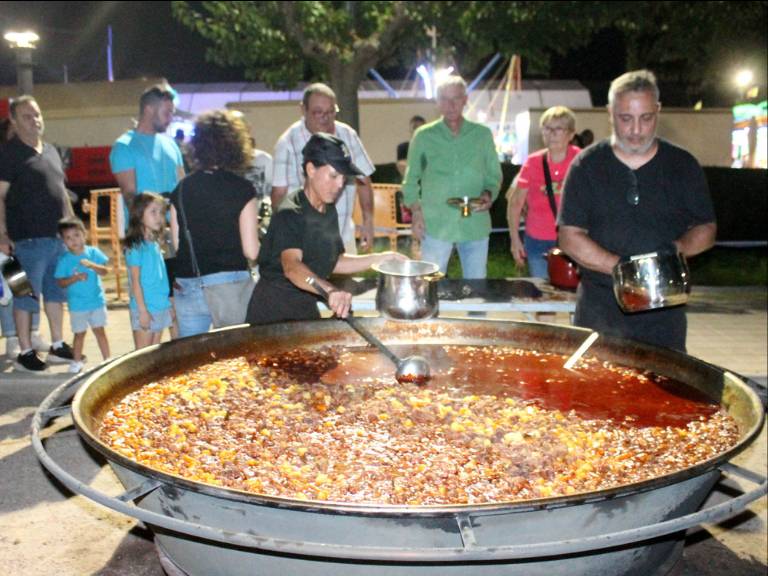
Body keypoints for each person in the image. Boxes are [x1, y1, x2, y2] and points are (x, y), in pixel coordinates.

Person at [558, 70, 716, 351]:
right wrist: (629, 273)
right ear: (609, 113)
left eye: (645, 118)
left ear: (658, 111)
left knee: (665, 391)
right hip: (600, 309)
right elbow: (570, 236)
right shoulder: (586, 166)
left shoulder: (682, 165)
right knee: (595, 391)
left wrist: (674, 250)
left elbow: (705, 228)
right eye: (625, 118)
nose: (635, 130)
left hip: (665, 312)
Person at [246, 133, 405, 325]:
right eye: (333, 175)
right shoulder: (290, 213)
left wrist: (382, 258)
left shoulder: (328, 209)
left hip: (304, 310)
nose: (340, 184)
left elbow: (334, 261)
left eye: (343, 177)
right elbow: (292, 267)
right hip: (273, 314)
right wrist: (330, 290)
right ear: (311, 169)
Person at [0, 96, 77, 371]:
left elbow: (62, 194)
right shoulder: (8, 153)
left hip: (56, 240)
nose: (35, 121)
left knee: (56, 295)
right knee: (24, 297)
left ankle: (57, 345)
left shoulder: (52, 151)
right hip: (23, 242)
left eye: (37, 114)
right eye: (26, 116)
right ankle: (25, 351)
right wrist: (2, 235)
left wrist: (72, 228)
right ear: (14, 121)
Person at [169, 110, 260, 337]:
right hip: (229, 284)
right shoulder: (242, 189)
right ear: (235, 146)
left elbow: (177, 244)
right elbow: (251, 250)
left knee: (192, 360)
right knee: (233, 358)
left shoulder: (180, 189)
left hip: (188, 282)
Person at [402, 76, 502, 278]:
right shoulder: (424, 136)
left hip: (474, 223)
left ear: (466, 100)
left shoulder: (482, 135)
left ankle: (476, 311)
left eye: (456, 98)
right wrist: (416, 212)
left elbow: (494, 175)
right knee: (430, 288)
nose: (450, 105)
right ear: (437, 102)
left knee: (477, 291)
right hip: (436, 224)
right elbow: (411, 179)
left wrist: (488, 194)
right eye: (445, 99)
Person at [271, 83, 375, 254]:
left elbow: (363, 179)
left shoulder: (348, 135)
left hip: (342, 236)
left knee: (345, 279)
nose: (325, 118)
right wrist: (283, 235)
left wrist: (368, 221)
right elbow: (279, 193)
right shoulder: (288, 142)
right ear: (303, 110)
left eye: (331, 112)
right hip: (305, 240)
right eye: (318, 112)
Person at [506, 106, 581, 279]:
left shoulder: (581, 161)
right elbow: (516, 202)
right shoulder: (533, 163)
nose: (551, 133)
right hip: (537, 241)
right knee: (542, 296)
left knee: (569, 297)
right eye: (547, 128)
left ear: (571, 134)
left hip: (572, 241)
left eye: (558, 128)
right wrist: (514, 239)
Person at [0, 116, 48, 358]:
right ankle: (11, 336)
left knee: (27, 287)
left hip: (25, 234)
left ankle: (33, 331)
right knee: (12, 287)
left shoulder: (25, 160)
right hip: (6, 237)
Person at [54, 217, 111, 373]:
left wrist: (92, 265)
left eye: (76, 235)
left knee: (100, 331)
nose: (74, 240)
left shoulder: (93, 252)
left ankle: (107, 360)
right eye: (68, 238)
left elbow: (105, 271)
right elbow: (60, 282)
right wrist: (75, 278)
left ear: (84, 235)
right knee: (79, 334)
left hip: (96, 301)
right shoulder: (64, 260)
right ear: (64, 241)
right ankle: (76, 362)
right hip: (77, 305)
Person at [124, 193, 174, 349]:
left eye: (160, 212)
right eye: (153, 212)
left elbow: (161, 278)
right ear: (139, 215)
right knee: (142, 357)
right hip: (146, 307)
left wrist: (168, 305)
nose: (159, 217)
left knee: (153, 355)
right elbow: (135, 282)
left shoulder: (154, 243)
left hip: (160, 305)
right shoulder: (135, 247)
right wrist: (142, 311)